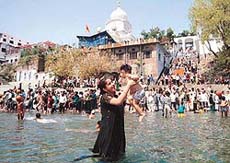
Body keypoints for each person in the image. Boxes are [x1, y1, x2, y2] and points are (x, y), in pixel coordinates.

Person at [91, 72, 136, 161]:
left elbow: (124, 99)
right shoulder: (104, 97)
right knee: (107, 157)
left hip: (118, 131)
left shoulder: (116, 96)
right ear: (104, 88)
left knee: (119, 156)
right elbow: (118, 102)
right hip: (109, 133)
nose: (113, 84)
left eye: (112, 82)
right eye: (109, 84)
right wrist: (128, 86)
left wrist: (131, 80)